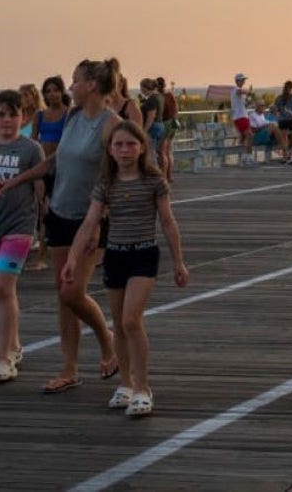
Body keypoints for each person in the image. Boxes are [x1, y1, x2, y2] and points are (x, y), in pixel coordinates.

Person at [61, 121, 188, 416]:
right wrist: (72, 259)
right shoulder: (106, 184)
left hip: (143, 254)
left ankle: (143, 388)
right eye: (118, 144)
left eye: (131, 144)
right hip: (116, 255)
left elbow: (168, 222)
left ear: (142, 147)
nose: (125, 150)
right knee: (118, 322)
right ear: (110, 149)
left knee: (131, 320)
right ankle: (126, 383)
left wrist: (179, 261)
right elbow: (90, 222)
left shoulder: (154, 181)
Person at [38, 59, 121, 393]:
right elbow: (54, 161)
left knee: (73, 291)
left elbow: (118, 174)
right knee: (63, 296)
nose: (70, 87)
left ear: (90, 85)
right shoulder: (73, 117)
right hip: (60, 212)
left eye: (74, 81)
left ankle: (107, 339)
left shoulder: (111, 123)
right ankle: (69, 368)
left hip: (90, 220)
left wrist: (102, 218)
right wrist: (19, 181)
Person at [0, 90, 46, 382]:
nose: (6, 120)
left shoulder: (31, 149)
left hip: (18, 227)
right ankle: (13, 344)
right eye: (0, 114)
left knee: (3, 287)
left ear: (23, 117)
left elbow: (40, 188)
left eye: (12, 114)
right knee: (4, 292)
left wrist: (44, 223)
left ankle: (3, 358)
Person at [27, 76, 70, 272]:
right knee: (43, 209)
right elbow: (33, 141)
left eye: (55, 90)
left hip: (62, 167)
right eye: (48, 91)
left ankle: (57, 251)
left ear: (62, 92)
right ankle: (41, 255)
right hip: (42, 166)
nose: (51, 94)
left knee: (58, 209)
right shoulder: (40, 115)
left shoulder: (69, 114)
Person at [273, 81, 292, 165]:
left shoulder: (279, 98)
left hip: (282, 120)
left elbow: (276, 109)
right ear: (291, 88)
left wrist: (281, 113)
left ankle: (285, 157)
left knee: (284, 139)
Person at [155, 77, 179, 181]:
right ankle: (169, 176)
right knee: (168, 151)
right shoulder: (170, 95)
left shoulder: (159, 97)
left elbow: (159, 113)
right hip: (174, 123)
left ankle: (164, 177)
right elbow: (176, 109)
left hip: (165, 123)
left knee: (161, 152)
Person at [230, 73, 255, 165]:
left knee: (244, 137)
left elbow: (245, 104)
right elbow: (240, 91)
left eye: (244, 80)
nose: (244, 81)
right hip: (240, 117)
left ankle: (243, 157)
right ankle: (248, 156)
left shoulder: (240, 93)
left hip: (243, 116)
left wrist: (248, 99)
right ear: (237, 81)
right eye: (242, 80)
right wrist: (249, 91)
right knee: (250, 135)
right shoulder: (235, 89)